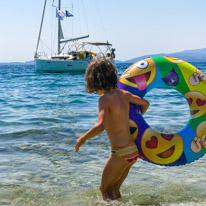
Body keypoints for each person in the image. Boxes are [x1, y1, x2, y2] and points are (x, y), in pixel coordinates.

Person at [75, 59, 149, 201]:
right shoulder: (124, 94)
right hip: (133, 151)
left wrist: (83, 138)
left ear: (95, 81)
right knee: (114, 189)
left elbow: (101, 125)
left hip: (120, 153)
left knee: (105, 189)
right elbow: (145, 104)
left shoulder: (104, 100)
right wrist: (135, 120)